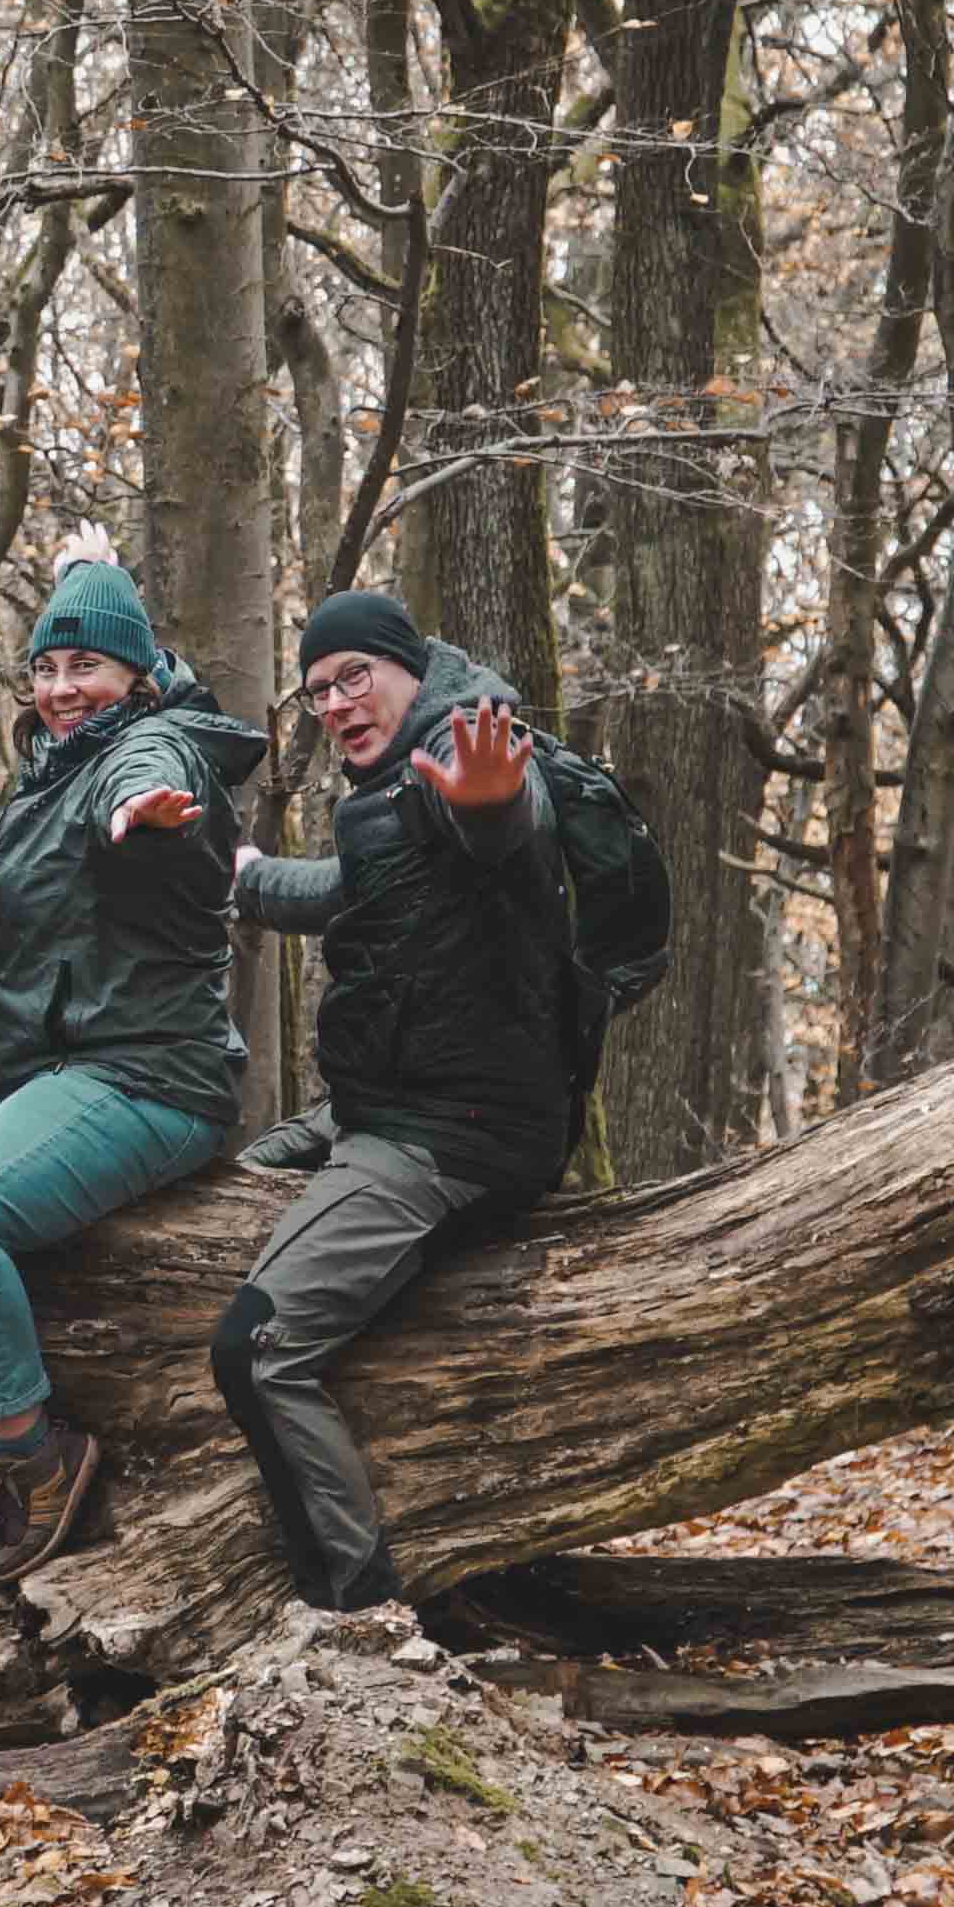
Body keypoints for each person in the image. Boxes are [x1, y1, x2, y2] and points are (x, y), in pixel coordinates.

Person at [0, 527, 262, 1580]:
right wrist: (84, 585)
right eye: (46, 667)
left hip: (152, 1080)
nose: (60, 689)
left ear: (136, 677)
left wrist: (144, 815)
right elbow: (115, 713)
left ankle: (38, 1456)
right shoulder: (64, 757)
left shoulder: (150, 754)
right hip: (72, 1069)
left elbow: (142, 769)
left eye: (85, 666)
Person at [209, 590, 568, 1613]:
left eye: (353, 677)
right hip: (381, 1103)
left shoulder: (468, 755)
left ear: (409, 668)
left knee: (253, 1351)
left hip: (451, 1135)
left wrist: (492, 804)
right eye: (317, 690)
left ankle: (356, 1611)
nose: (335, 703)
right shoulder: (385, 795)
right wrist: (246, 875)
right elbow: (345, 887)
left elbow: (504, 831)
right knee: (220, 1183)